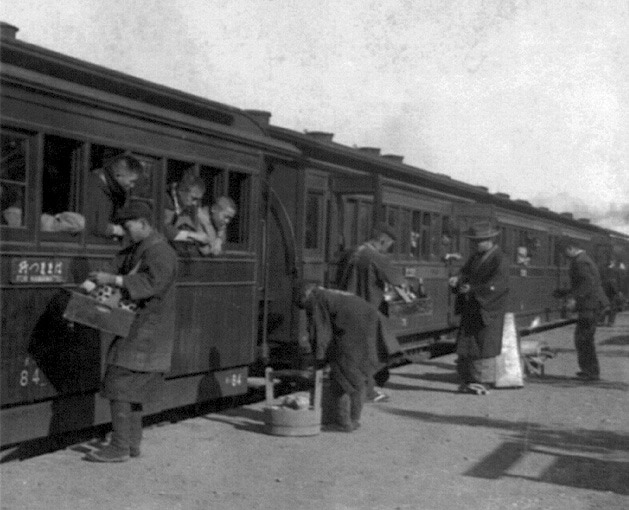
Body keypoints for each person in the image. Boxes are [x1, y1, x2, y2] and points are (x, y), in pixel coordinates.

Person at [84, 201, 178, 462]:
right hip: (143, 329)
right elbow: (117, 263)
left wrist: (114, 280)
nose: (125, 232)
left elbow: (151, 284)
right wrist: (95, 279)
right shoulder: (143, 247)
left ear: (144, 224)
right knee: (133, 388)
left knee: (119, 381)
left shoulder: (161, 253)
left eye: (128, 227)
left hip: (147, 330)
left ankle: (119, 447)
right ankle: (131, 445)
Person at [335, 223, 409, 402]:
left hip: (344, 308)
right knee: (369, 352)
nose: (388, 249)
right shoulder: (376, 257)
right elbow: (399, 282)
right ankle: (367, 392)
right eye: (389, 244)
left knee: (349, 351)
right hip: (367, 310)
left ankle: (350, 388)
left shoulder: (348, 253)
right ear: (383, 240)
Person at [297, 283, 379, 432]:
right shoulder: (329, 294)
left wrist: (319, 361)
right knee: (357, 378)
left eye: (305, 307)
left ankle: (342, 423)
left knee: (341, 377)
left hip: (354, 333)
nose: (307, 311)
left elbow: (321, 334)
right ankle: (354, 420)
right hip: (369, 327)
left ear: (305, 297)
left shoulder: (316, 299)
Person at [449, 221, 509, 395]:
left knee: (484, 345)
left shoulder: (500, 258)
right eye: (473, 241)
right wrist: (458, 280)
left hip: (488, 308)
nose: (474, 245)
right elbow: (465, 273)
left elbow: (498, 285)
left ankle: (484, 381)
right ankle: (470, 380)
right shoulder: (476, 256)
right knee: (470, 344)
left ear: (490, 240)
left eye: (478, 241)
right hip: (474, 306)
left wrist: (473, 289)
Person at [554, 238, 609, 381]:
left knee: (583, 339)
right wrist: (565, 292)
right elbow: (584, 284)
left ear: (571, 248)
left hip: (590, 306)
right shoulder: (583, 260)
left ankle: (590, 372)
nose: (564, 256)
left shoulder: (581, 262)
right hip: (590, 304)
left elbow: (588, 284)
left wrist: (574, 299)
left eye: (565, 252)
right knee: (584, 338)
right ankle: (589, 371)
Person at [85, 154, 142, 239]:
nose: (132, 186)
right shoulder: (95, 188)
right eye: (131, 181)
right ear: (118, 175)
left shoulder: (111, 189)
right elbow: (92, 225)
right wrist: (116, 230)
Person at [164, 173, 213, 254]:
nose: (195, 203)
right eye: (194, 198)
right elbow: (165, 229)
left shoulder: (184, 204)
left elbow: (188, 228)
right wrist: (194, 235)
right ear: (182, 191)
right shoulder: (166, 198)